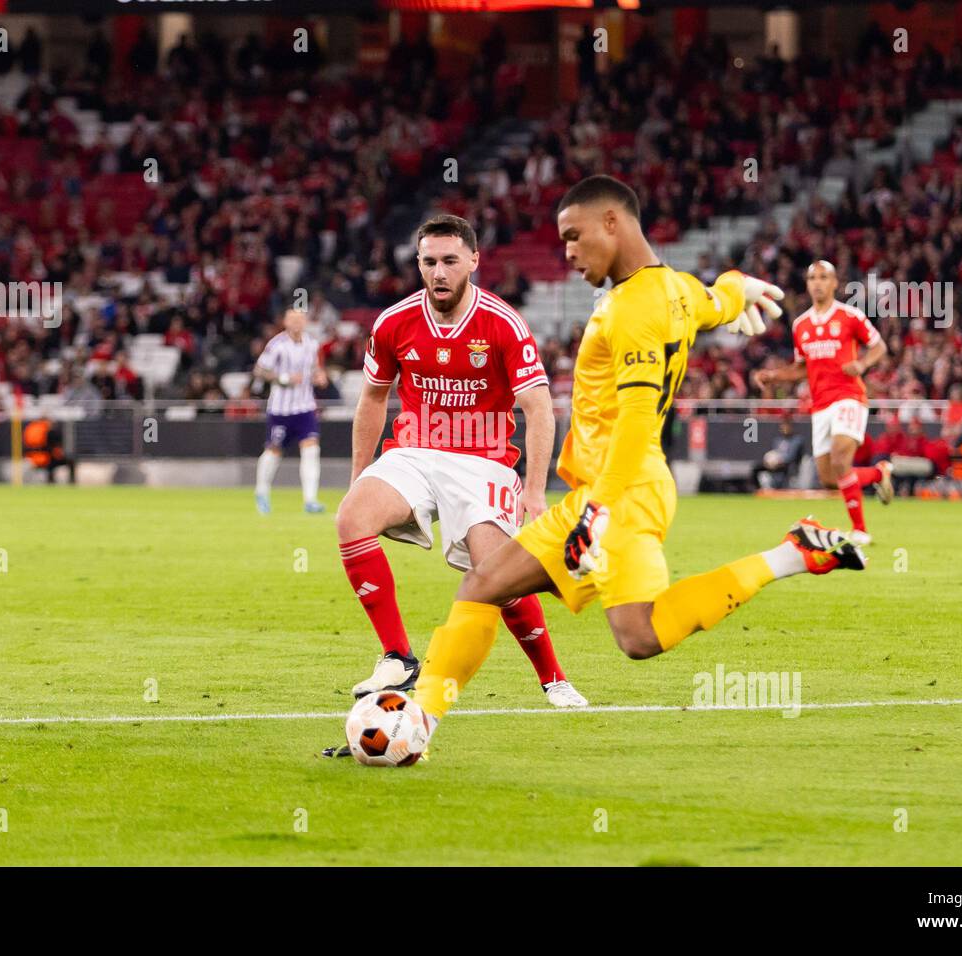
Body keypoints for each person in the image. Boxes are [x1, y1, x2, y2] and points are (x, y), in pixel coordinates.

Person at [403, 176, 865, 756]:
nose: (568, 252)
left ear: (612, 224)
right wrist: (736, 287)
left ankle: (791, 555)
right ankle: (417, 724)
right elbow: (713, 302)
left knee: (638, 636)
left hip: (622, 491)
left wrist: (596, 512)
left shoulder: (635, 310)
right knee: (483, 583)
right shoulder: (675, 289)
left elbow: (639, 420)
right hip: (606, 488)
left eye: (575, 237)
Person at [332, 214, 586, 712]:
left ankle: (553, 678)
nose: (439, 272)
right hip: (415, 453)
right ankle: (399, 657)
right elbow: (372, 399)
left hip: (483, 461)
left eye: (449, 260)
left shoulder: (503, 322)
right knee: (351, 518)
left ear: (473, 260)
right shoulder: (393, 322)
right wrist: (359, 475)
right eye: (429, 262)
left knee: (497, 576)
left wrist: (534, 490)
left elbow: (538, 408)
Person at [754, 260, 894, 546]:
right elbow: (801, 367)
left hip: (849, 397)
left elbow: (879, 346)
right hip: (820, 405)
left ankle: (860, 531)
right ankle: (878, 473)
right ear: (807, 284)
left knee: (842, 461)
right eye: (812, 278)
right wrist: (773, 376)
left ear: (834, 283)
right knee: (830, 478)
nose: (817, 282)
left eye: (823, 277)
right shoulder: (800, 325)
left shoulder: (850, 316)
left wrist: (863, 363)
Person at [251, 308, 326, 514]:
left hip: (305, 407)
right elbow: (259, 370)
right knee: (274, 451)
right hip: (281, 409)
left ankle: (310, 499)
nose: (296, 324)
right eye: (292, 320)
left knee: (311, 450)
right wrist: (284, 378)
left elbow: (314, 368)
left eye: (300, 320)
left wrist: (319, 376)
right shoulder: (277, 345)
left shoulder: (311, 343)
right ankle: (262, 492)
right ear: (285, 322)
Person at [752, 415, 805, 489]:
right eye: (783, 427)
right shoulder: (778, 441)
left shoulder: (797, 440)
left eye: (787, 426)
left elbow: (792, 457)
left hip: (787, 465)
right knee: (757, 468)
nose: (785, 429)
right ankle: (758, 489)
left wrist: (780, 461)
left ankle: (777, 485)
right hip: (775, 465)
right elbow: (774, 452)